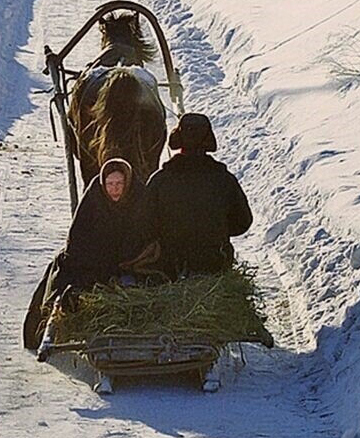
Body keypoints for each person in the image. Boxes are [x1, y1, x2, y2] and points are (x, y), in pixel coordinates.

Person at [23, 158, 158, 351]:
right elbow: (78, 241)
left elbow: (148, 235)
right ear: (103, 184)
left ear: (127, 183)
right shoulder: (94, 200)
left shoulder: (139, 199)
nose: (115, 189)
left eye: (119, 184)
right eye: (110, 184)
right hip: (96, 265)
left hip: (131, 263)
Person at [145, 113, 252, 276]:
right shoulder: (224, 179)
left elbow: (144, 223)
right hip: (215, 264)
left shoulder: (160, 180)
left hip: (172, 267)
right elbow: (243, 221)